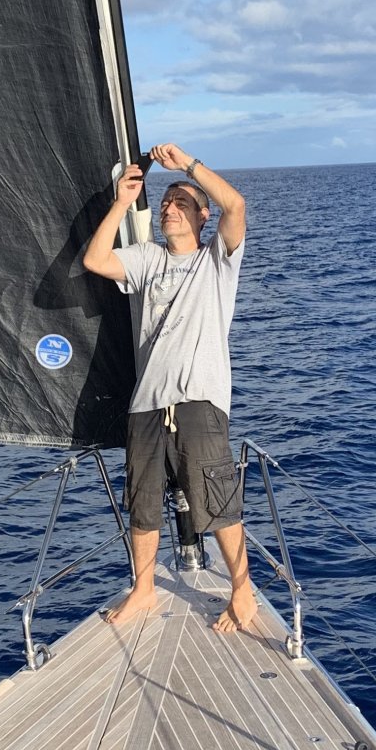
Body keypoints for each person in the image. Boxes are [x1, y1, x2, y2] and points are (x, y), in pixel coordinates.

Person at [82, 145, 255, 634]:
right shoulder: (148, 259)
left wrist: (189, 166)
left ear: (202, 216)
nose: (169, 208)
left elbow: (237, 205)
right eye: (165, 203)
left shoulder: (216, 261)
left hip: (198, 400)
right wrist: (122, 202)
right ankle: (144, 589)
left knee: (215, 497)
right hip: (146, 404)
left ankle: (242, 591)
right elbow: (95, 259)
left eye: (182, 202)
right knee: (142, 502)